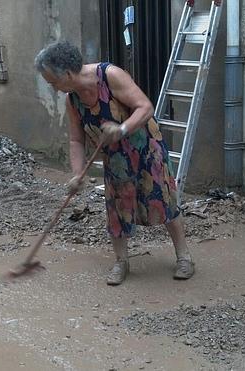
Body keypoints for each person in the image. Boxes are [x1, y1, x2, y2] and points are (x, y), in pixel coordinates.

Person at [34, 41, 194, 285]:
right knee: (116, 209)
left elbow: (145, 107)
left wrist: (121, 129)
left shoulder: (110, 76)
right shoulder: (72, 100)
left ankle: (184, 257)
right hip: (116, 159)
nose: (54, 88)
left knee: (164, 200)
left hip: (146, 149)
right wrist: (77, 174)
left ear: (67, 74)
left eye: (53, 82)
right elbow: (76, 140)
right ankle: (122, 262)